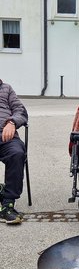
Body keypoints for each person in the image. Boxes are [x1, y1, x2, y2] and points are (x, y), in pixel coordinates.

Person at [0, 79, 29, 225]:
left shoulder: (6, 88)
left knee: (17, 153)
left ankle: (7, 205)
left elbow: (21, 111)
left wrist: (12, 122)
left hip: (6, 137)